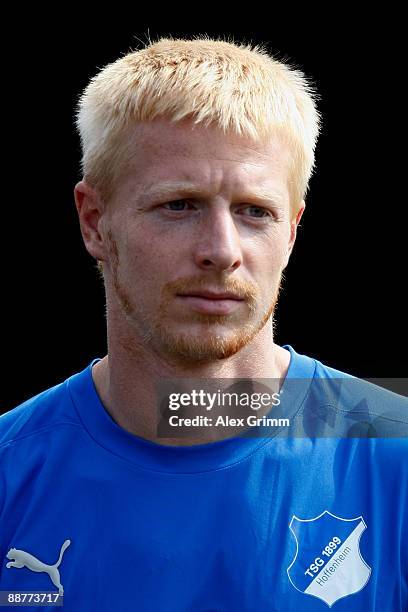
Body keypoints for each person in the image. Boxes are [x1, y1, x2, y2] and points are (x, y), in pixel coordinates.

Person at [0, 37, 406, 611]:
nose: (222, 250)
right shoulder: (10, 470)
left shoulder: (393, 450)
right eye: (179, 204)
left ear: (291, 232)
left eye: (254, 212)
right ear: (94, 222)